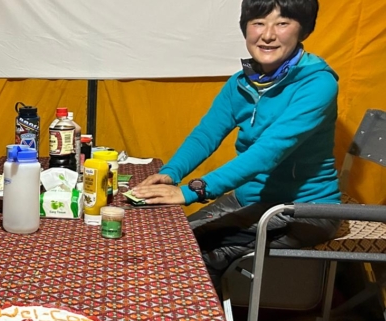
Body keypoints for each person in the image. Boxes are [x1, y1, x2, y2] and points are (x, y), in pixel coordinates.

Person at [132, 0, 340, 294]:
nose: (267, 34)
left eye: (282, 23)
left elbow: (268, 152)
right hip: (248, 201)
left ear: (302, 30)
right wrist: (171, 173)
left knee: (193, 257)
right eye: (258, 22)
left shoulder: (318, 84)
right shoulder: (241, 82)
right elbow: (206, 134)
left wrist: (194, 191)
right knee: (169, 240)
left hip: (303, 212)